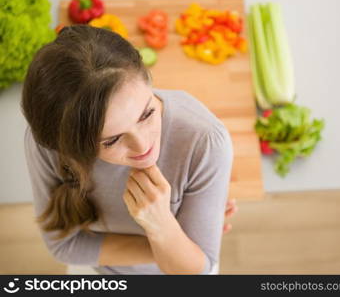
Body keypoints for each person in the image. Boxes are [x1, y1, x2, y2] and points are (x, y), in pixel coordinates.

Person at [21, 24, 238, 275]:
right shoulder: (49, 145)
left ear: (148, 79)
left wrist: (165, 228)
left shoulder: (205, 141)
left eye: (146, 113)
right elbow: (64, 246)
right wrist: (170, 238)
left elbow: (196, 272)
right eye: (111, 140)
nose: (144, 146)